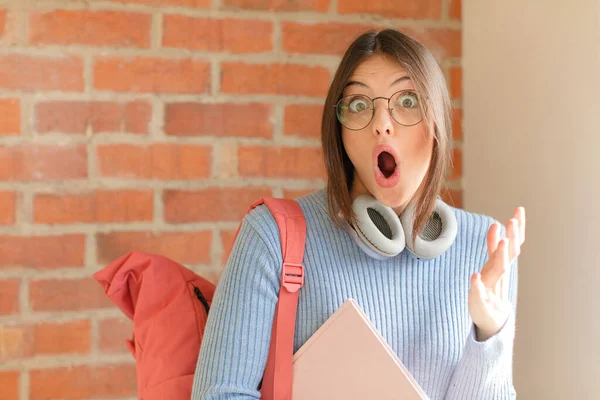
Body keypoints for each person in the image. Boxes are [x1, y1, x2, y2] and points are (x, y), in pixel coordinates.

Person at [192, 28, 526, 399]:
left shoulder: (487, 246)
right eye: (358, 105)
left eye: (408, 101)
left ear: (437, 123)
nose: (382, 122)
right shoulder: (272, 236)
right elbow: (218, 394)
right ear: (340, 132)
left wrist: (489, 332)